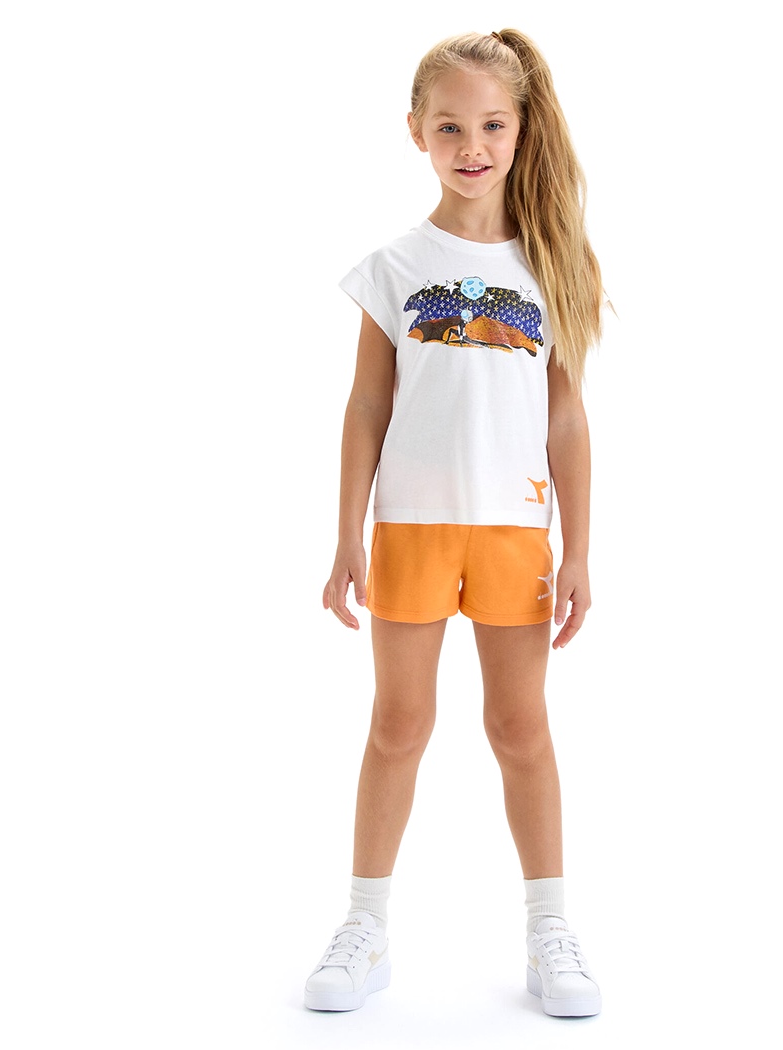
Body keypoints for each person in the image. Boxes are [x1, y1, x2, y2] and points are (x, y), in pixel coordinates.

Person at [305, 28, 606, 1018]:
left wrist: (579, 549)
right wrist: (346, 534)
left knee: (521, 728)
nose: (471, 146)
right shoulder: (394, 268)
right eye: (449, 127)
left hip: (516, 533)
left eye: (491, 126)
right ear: (415, 132)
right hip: (411, 529)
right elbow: (365, 406)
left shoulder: (553, 265)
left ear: (520, 130)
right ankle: (364, 926)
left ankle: (550, 930)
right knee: (398, 725)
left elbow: (567, 418)